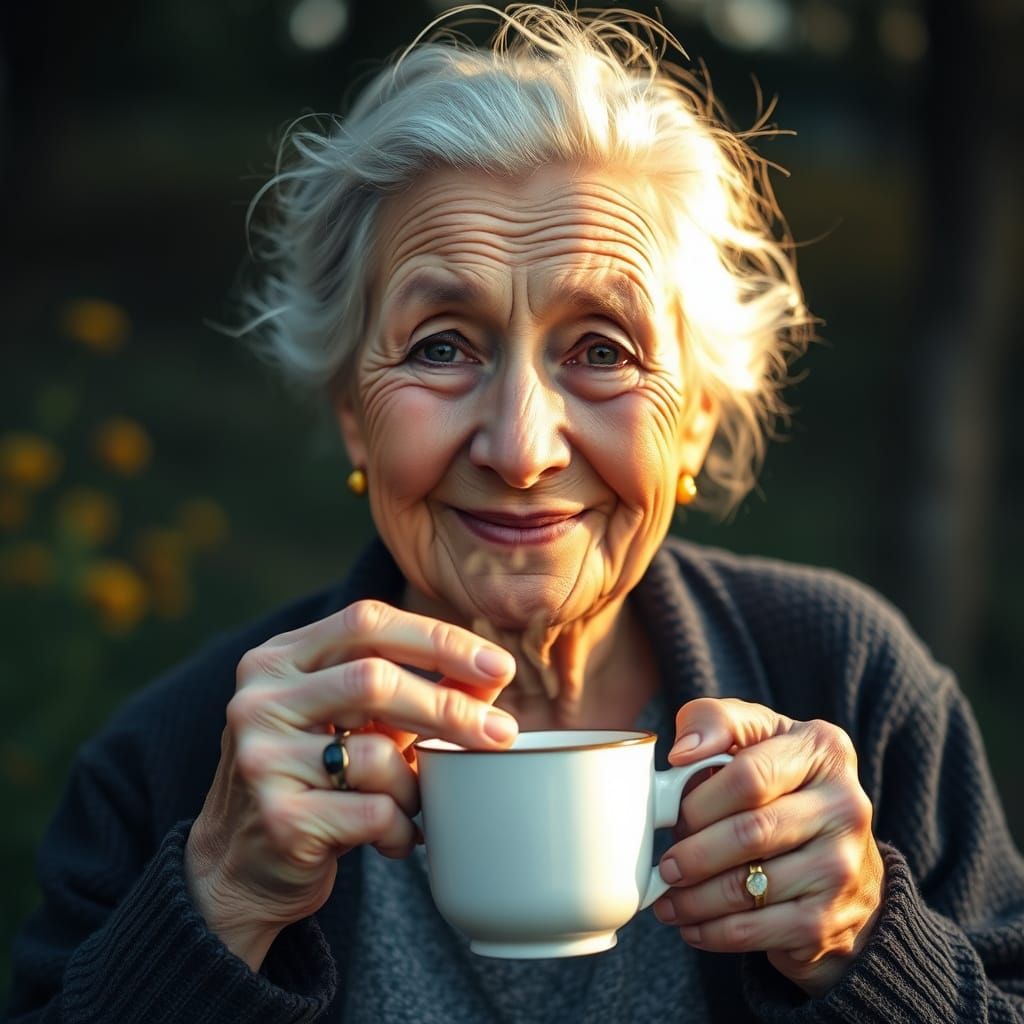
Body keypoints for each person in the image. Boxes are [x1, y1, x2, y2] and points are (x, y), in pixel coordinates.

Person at [7, 4, 1024, 1022]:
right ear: (353, 413)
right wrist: (217, 900)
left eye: (602, 351)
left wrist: (863, 947)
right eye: (441, 345)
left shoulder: (853, 687)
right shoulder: (176, 762)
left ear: (698, 420)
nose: (521, 446)